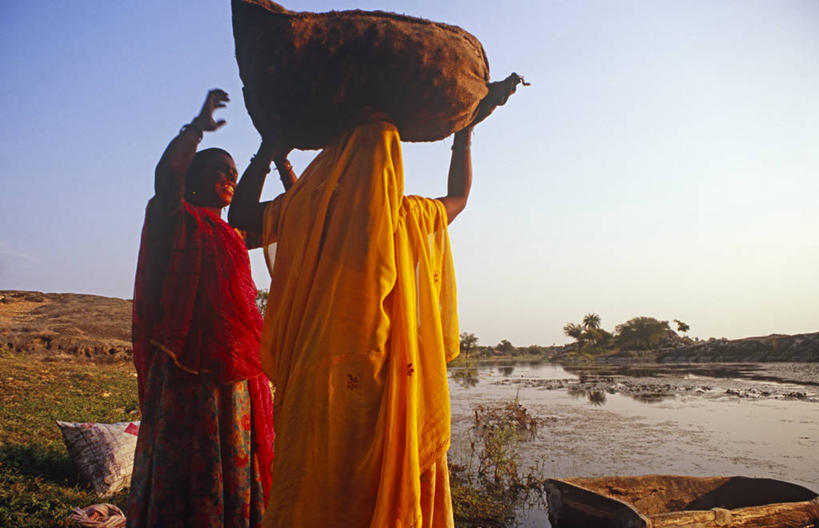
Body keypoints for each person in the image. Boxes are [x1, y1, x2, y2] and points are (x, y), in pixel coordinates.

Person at [229, 79, 519, 527]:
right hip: (388, 377)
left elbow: (240, 216)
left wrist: (269, 147)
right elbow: (459, 199)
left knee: (310, 484)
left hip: (316, 376)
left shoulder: (311, 210)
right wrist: (464, 134)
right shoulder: (404, 216)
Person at [127, 89, 292, 528]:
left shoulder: (235, 234)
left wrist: (275, 156)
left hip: (234, 370)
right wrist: (197, 130)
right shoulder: (174, 217)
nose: (231, 179)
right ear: (195, 180)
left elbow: (294, 214)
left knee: (235, 459)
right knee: (184, 460)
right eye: (221, 171)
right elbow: (165, 176)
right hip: (185, 371)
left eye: (234, 174)